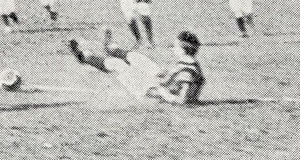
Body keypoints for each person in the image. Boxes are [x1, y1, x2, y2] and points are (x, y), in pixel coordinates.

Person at [66, 29, 205, 106]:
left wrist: (163, 93)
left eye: (175, 46)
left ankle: (85, 56)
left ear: (182, 49)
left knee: (117, 64)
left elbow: (183, 100)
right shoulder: (189, 63)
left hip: (152, 90)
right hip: (160, 85)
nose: (173, 48)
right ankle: (112, 49)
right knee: (137, 58)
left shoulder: (187, 71)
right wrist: (165, 76)